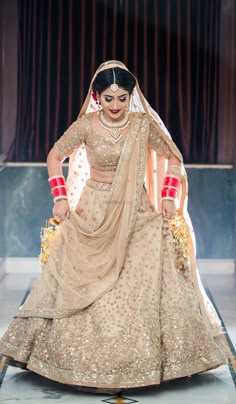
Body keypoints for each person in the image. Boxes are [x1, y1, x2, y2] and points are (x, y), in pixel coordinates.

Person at [0, 60, 227, 394]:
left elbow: (174, 158)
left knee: (147, 266)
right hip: (94, 211)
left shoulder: (141, 124)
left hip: (136, 209)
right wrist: (60, 197)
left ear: (131, 97)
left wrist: (167, 197)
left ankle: (148, 360)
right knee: (84, 278)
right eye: (109, 98)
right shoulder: (87, 126)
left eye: (122, 98)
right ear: (97, 97)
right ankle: (77, 359)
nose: (116, 105)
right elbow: (54, 155)